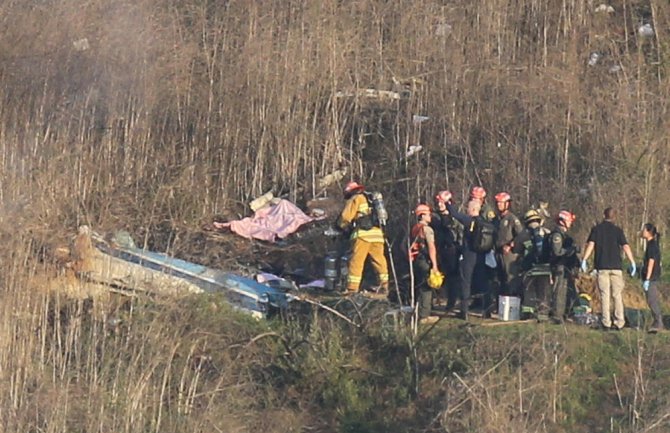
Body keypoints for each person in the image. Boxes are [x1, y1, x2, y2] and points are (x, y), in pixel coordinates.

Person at [581, 207, 636, 331]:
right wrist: (632, 262)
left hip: (602, 267)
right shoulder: (618, 231)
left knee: (605, 295)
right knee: (617, 295)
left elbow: (591, 245)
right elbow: (626, 246)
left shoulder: (597, 230)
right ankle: (619, 322)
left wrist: (584, 259)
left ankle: (606, 322)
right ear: (614, 216)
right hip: (616, 267)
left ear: (603, 215)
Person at [338, 181, 389, 295]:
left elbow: (345, 217)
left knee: (356, 261)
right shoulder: (371, 200)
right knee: (379, 260)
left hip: (363, 235)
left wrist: (341, 227)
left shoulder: (356, 198)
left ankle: (352, 288)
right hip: (377, 235)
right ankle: (384, 285)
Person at [445, 194, 486, 320]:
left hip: (469, 255)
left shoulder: (470, 221)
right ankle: (486, 309)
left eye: (468, 208)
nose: (467, 210)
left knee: (465, 282)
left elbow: (455, 215)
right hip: (481, 256)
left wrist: (447, 203)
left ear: (473, 210)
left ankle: (464, 311)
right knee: (481, 282)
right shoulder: (483, 222)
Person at [513, 209, 552, 318]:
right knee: (543, 293)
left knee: (529, 292)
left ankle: (527, 315)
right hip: (545, 268)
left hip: (530, 269)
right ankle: (543, 315)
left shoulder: (522, 235)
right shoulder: (548, 232)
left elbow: (516, 251)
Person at [409, 204, 440, 324]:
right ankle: (424, 316)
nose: (430, 216)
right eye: (428, 214)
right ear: (422, 215)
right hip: (424, 260)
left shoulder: (415, 228)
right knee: (427, 288)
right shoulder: (427, 229)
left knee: (420, 287)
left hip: (416, 260)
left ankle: (418, 312)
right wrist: (435, 265)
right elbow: (431, 247)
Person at [432, 190, 462, 310]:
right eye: (438, 202)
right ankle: (435, 300)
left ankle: (451, 302)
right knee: (436, 275)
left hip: (452, 250)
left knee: (452, 278)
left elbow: (460, 232)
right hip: (437, 249)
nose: (439, 205)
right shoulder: (434, 217)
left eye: (442, 202)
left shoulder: (454, 216)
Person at [547, 210, 579, 323]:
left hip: (565, 267)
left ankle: (566, 313)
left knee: (566, 291)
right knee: (559, 291)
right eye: (569, 220)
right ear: (562, 221)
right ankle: (557, 315)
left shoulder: (565, 235)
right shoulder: (557, 235)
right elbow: (557, 252)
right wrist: (569, 250)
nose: (570, 223)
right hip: (559, 266)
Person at [493, 192, 524, 295]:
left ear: (507, 204)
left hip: (509, 254)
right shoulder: (496, 219)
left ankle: (511, 302)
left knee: (510, 278)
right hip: (497, 252)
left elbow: (521, 235)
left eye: (501, 203)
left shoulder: (512, 219)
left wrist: (510, 245)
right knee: (498, 279)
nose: (498, 205)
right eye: (497, 203)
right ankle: (500, 303)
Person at [640, 223, 664, 333]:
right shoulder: (651, 245)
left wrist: (647, 279)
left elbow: (651, 262)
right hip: (651, 276)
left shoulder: (652, 245)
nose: (642, 231)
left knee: (652, 300)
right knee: (651, 300)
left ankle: (658, 322)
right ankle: (657, 321)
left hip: (652, 277)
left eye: (644, 230)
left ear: (648, 232)